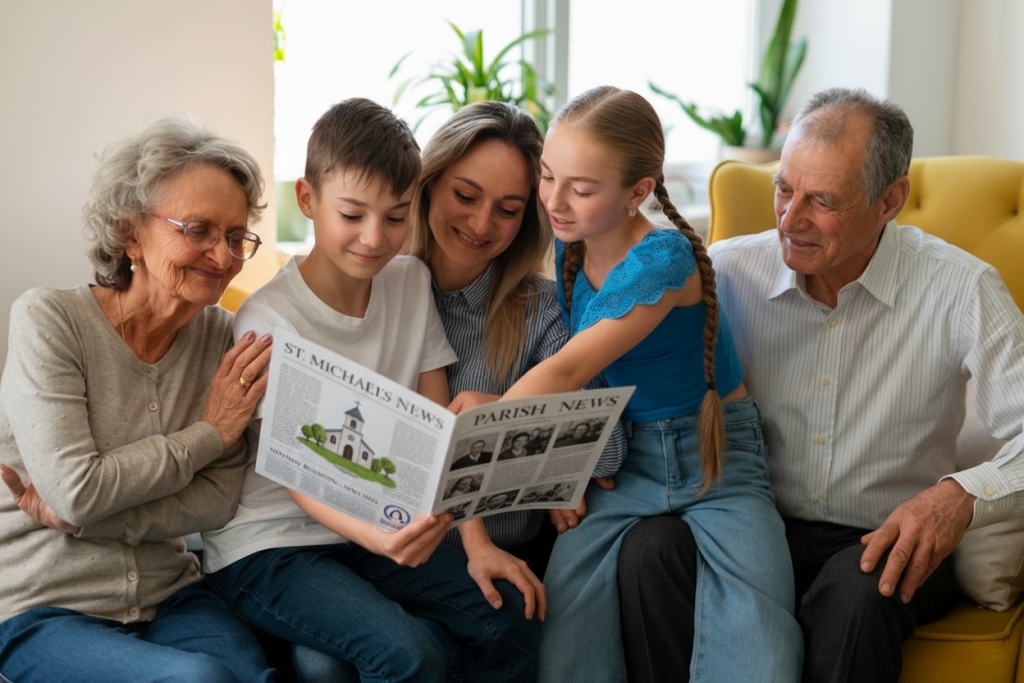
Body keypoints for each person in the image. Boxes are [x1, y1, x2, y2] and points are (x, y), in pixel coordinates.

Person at [458, 85, 804, 682]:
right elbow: (576, 390)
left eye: (582, 189)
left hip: (717, 461)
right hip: (624, 461)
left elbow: (567, 370)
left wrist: (482, 446)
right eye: (547, 178)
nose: (554, 201)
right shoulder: (572, 255)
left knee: (761, 640)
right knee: (567, 624)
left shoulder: (664, 260)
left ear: (638, 192)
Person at [200, 99, 540, 683]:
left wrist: (476, 542)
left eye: (396, 216)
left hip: (370, 530)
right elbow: (300, 475)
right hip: (271, 547)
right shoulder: (267, 320)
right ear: (307, 200)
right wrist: (379, 538)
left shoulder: (411, 281)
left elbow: (437, 429)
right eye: (352, 214)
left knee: (509, 616)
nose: (374, 237)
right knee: (408, 652)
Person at [700, 86, 1024, 683]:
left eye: (822, 200)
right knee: (649, 554)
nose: (790, 220)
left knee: (860, 587)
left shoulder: (962, 288)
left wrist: (959, 496)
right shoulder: (724, 273)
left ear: (889, 200)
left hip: (883, 542)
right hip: (752, 529)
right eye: (783, 188)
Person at [0, 116, 276, 683]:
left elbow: (217, 500)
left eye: (235, 237)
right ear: (130, 233)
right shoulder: (49, 319)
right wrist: (209, 434)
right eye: (197, 229)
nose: (222, 258)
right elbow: (77, 489)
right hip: (43, 606)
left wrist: (87, 521)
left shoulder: (224, 339)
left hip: (170, 593)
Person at [405, 99, 628, 563]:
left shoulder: (542, 310)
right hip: (380, 552)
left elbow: (607, 455)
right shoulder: (375, 289)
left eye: (507, 210)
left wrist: (502, 412)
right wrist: (541, 467)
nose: (480, 224)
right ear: (427, 187)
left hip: (502, 556)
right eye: (465, 197)